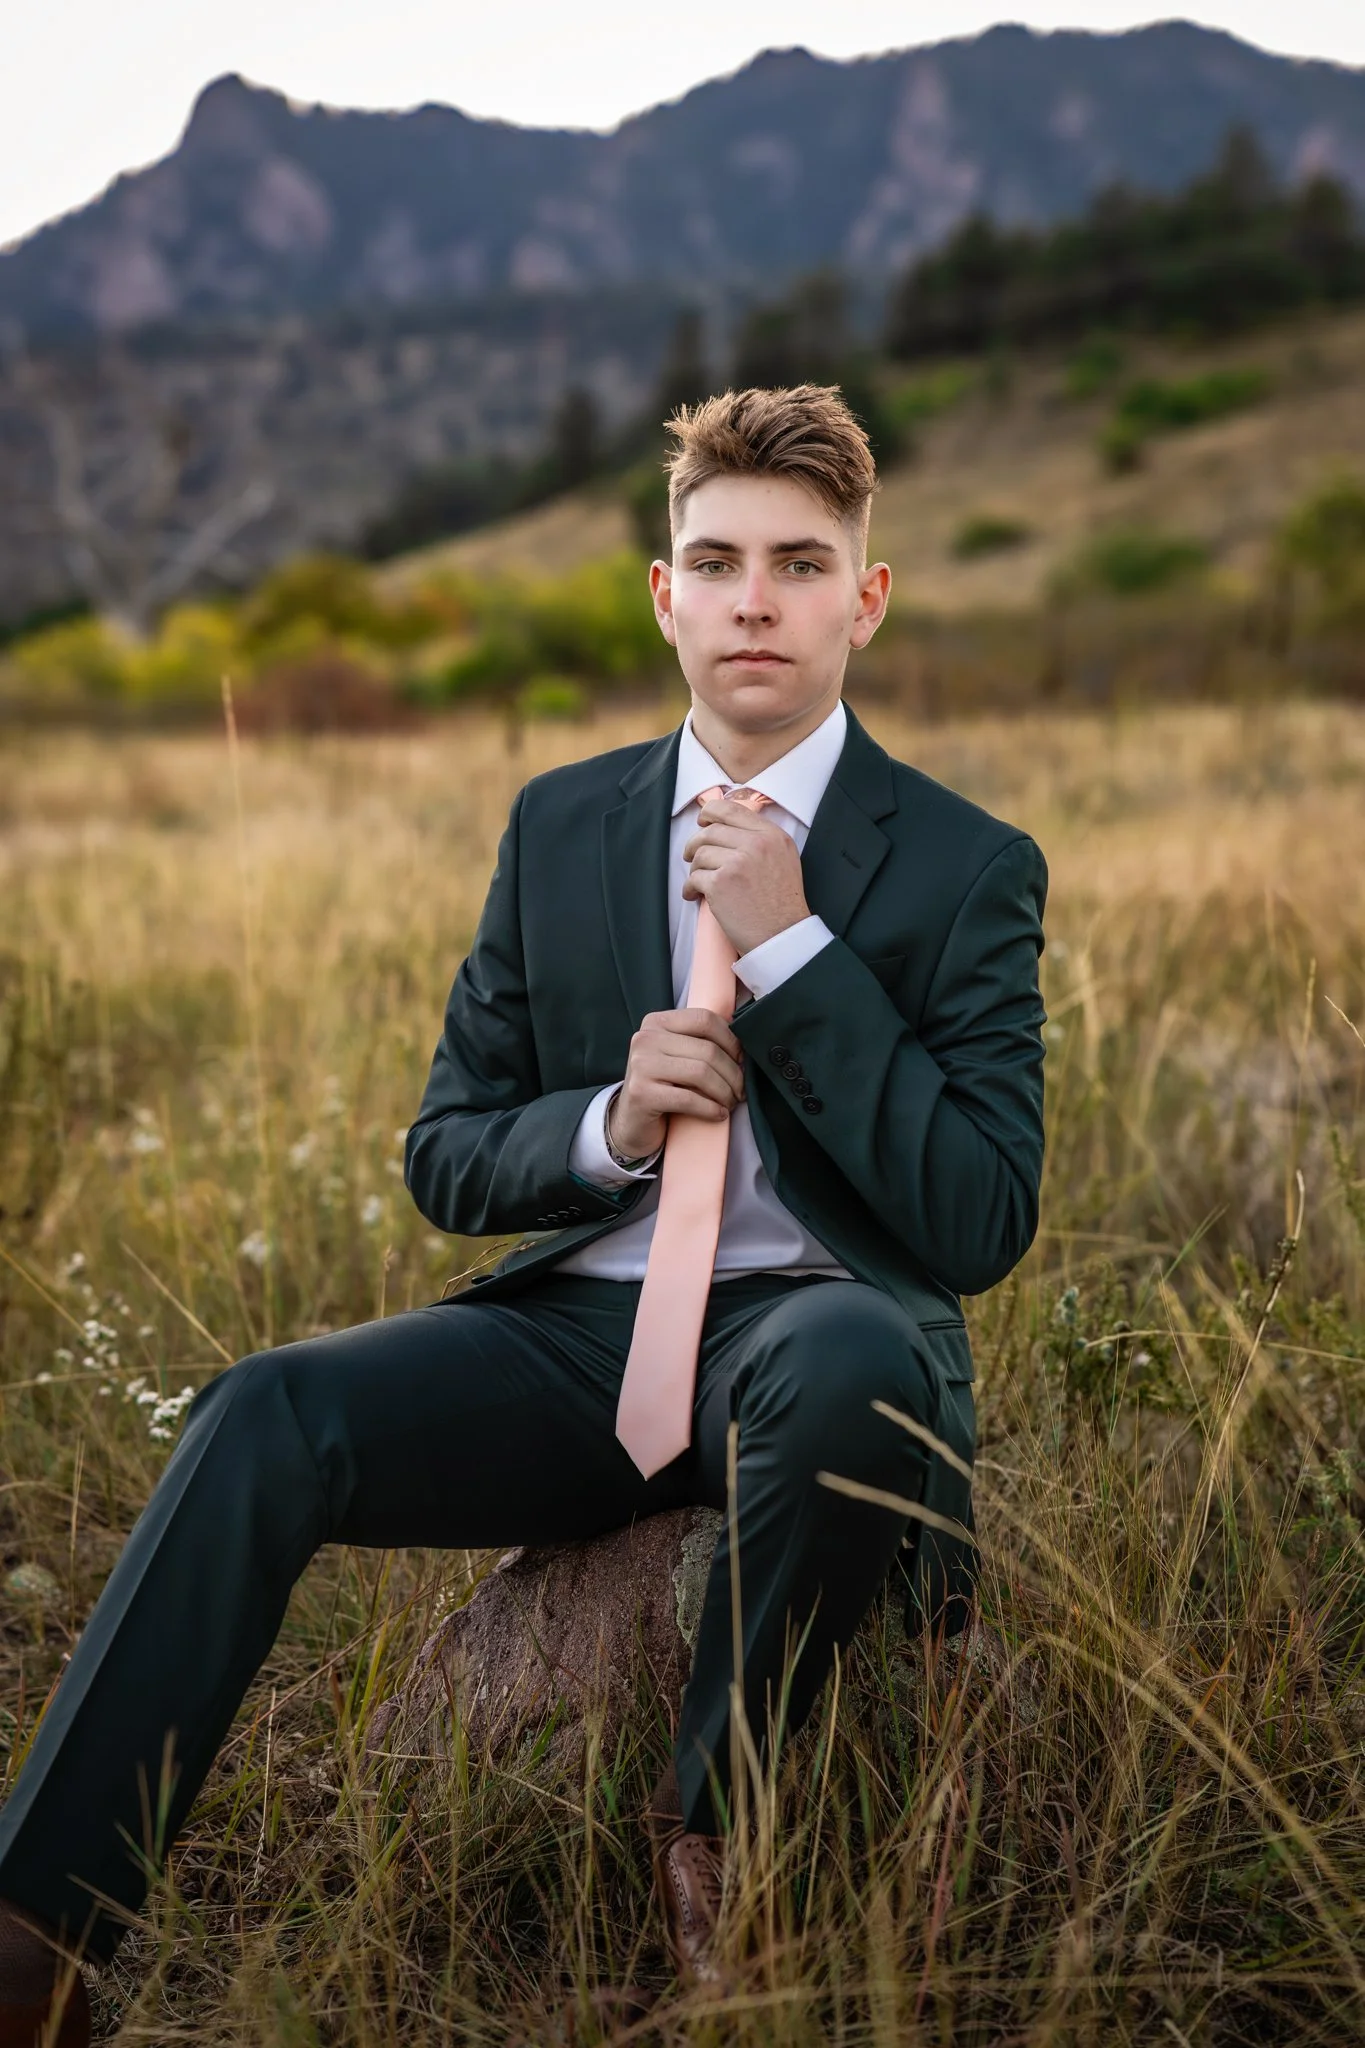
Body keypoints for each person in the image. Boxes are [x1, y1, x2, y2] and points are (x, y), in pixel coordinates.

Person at [0, 383, 1047, 2042]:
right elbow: (447, 1154)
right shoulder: (562, 824)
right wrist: (611, 1125)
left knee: (842, 1341)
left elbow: (981, 1217)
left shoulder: (969, 865)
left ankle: (720, 1870)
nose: (755, 599)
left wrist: (792, 953)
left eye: (798, 562)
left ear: (869, 596)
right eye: (717, 561)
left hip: (826, 1353)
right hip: (589, 1342)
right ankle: (34, 1935)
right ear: (664, 594)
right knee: (267, 1410)